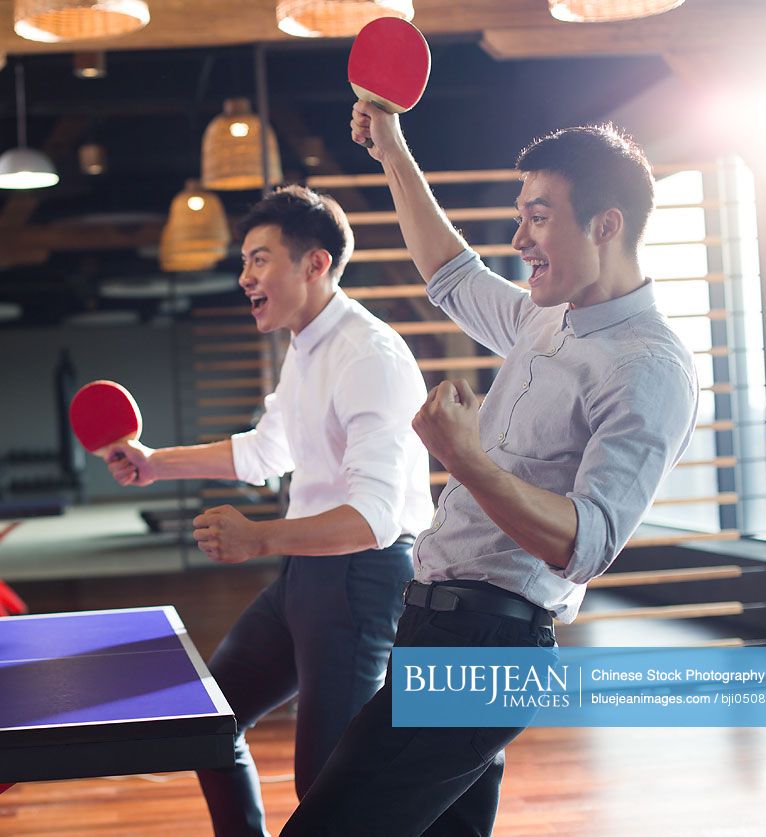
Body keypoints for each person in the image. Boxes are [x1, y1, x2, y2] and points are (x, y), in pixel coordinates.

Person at [277, 108, 700, 837]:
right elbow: (450, 271)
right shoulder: (548, 316)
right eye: (518, 216)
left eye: (537, 218)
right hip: (435, 626)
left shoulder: (648, 369)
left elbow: (586, 543)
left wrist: (464, 457)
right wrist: (391, 148)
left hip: (488, 647)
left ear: (603, 225)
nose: (518, 239)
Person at [101, 184, 433, 836]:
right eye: (245, 260)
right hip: (307, 574)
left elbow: (373, 517)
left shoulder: (368, 356)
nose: (243, 275)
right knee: (206, 723)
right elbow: (265, 450)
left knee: (327, 787)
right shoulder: (304, 346)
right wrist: (153, 462)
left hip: (362, 576)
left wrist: (257, 537)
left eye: (259, 258)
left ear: (314, 264)